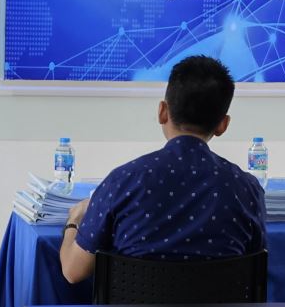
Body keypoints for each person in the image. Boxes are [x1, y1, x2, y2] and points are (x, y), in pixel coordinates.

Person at [59, 55, 266, 284]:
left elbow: (72, 271)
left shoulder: (123, 180)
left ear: (162, 112)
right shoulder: (246, 189)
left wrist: (74, 220)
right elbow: (255, 267)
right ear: (223, 125)